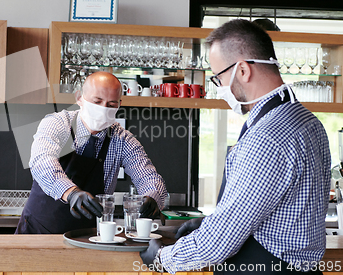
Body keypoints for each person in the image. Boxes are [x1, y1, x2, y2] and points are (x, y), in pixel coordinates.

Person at [141, 19, 331, 274]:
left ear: (242, 70)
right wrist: (211, 222)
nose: (219, 89)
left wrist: (162, 259)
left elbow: (218, 243)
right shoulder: (308, 121)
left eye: (218, 77)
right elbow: (276, 212)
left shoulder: (266, 138)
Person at [16, 71, 167, 234]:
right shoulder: (58, 124)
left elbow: (148, 176)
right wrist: (71, 193)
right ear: (79, 97)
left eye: (111, 105)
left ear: (119, 104)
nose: (103, 109)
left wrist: (153, 196)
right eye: (97, 101)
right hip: (38, 231)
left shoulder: (122, 140)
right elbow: (41, 161)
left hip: (88, 237)